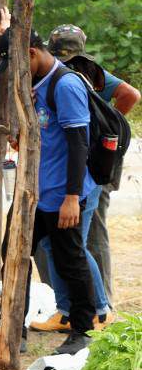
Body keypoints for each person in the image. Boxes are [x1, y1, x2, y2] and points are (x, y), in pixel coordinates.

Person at [0, 29, 97, 356]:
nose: (15, 73)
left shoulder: (65, 85)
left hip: (61, 195)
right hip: (33, 193)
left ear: (30, 53)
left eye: (16, 64)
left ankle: (82, 331)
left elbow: (79, 145)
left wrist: (72, 198)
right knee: (12, 251)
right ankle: (13, 328)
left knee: (70, 261)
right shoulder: (36, 83)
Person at [29, 24, 137, 332]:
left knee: (78, 245)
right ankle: (68, 310)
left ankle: (99, 310)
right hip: (73, 173)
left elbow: (130, 95)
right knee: (62, 245)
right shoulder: (68, 72)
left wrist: (103, 127)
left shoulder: (75, 75)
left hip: (84, 174)